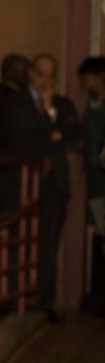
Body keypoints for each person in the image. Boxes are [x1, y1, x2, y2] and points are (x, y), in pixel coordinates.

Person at [28, 53, 81, 320]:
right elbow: (33, 137)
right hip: (26, 182)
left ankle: (43, 301)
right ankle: (20, 299)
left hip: (54, 184)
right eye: (39, 73)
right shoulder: (22, 103)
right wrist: (52, 131)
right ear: (30, 73)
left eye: (50, 75)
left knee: (49, 242)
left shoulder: (62, 104)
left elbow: (72, 132)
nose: (44, 80)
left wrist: (50, 114)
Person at [0, 53, 40, 215]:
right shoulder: (19, 100)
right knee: (13, 227)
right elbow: (25, 138)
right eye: (25, 71)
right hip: (14, 178)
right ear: (11, 72)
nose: (28, 77)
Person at [78, 56, 105, 315]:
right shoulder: (93, 105)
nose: (83, 84)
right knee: (99, 238)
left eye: (86, 78)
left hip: (102, 185)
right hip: (97, 185)